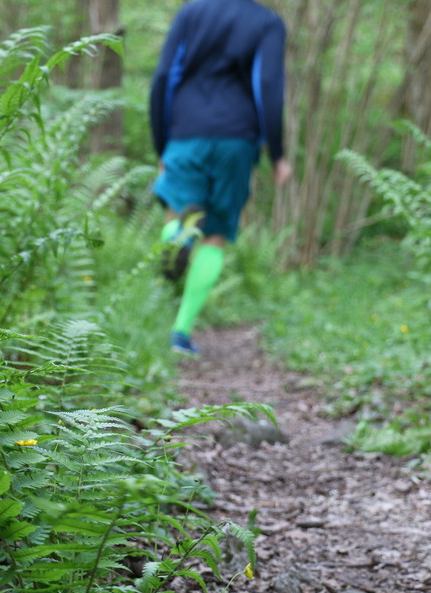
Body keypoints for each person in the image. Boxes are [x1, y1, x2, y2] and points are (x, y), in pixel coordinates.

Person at [150, 0, 292, 356]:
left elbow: (165, 76)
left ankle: (178, 238)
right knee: (215, 235)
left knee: (177, 211)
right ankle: (180, 334)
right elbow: (269, 85)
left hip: (186, 131)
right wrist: (277, 152)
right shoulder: (267, 23)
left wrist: (161, 145)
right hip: (238, 137)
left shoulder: (191, 13)